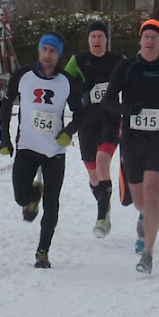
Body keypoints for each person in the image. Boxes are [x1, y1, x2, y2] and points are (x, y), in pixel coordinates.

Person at [102, 19, 159, 274]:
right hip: (132, 139)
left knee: (153, 195)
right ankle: (142, 215)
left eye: (155, 37)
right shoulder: (126, 68)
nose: (150, 41)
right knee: (140, 200)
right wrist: (127, 110)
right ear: (140, 41)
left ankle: (148, 254)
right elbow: (108, 102)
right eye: (146, 36)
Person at [0, 32, 85, 269]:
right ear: (39, 51)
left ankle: (43, 251)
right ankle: (31, 197)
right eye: (45, 49)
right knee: (19, 196)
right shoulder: (22, 76)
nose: (48, 55)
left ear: (59, 55)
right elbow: (5, 105)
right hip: (27, 146)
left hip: (54, 151)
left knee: (52, 201)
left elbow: (81, 113)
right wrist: (4, 138)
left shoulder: (67, 81)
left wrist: (69, 130)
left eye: (53, 51)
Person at [65, 21, 124, 238]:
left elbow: (131, 85)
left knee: (102, 163)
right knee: (93, 175)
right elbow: (63, 84)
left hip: (111, 120)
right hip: (86, 123)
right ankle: (104, 203)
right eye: (93, 37)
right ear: (88, 39)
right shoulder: (78, 61)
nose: (97, 40)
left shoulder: (118, 61)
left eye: (100, 36)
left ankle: (101, 218)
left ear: (107, 39)